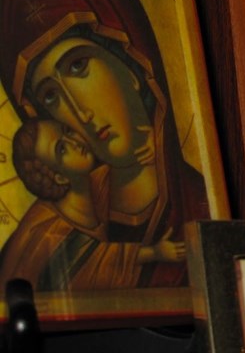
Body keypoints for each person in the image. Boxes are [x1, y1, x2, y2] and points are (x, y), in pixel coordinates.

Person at [0, 0, 211, 288]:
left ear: (132, 65)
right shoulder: (53, 227)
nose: (79, 112)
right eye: (51, 96)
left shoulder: (202, 206)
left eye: (78, 66)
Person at [0, 119, 184, 290]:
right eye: (62, 149)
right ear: (59, 177)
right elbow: (97, 263)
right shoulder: (50, 235)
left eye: (67, 131)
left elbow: (127, 171)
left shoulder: (93, 184)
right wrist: (155, 253)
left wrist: (155, 141)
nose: (75, 143)